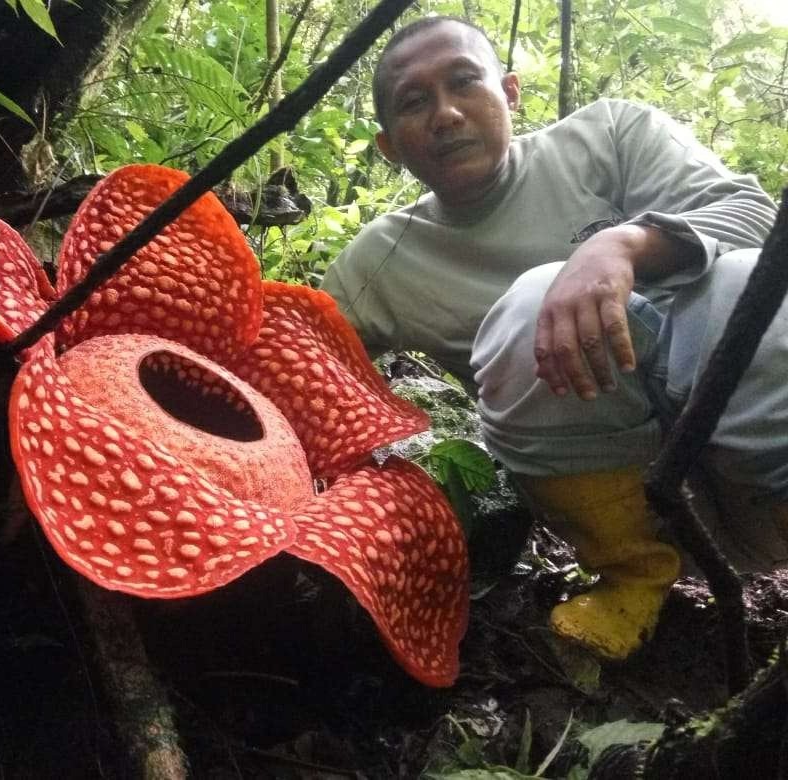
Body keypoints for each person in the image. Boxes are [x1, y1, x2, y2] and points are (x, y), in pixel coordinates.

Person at [321, 15, 787, 661]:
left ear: (510, 93)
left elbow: (760, 221)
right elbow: (299, 361)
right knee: (533, 302)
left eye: (464, 82)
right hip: (640, 515)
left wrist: (622, 243)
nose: (447, 114)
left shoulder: (610, 136)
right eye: (414, 102)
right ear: (389, 147)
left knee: (746, 282)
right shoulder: (382, 262)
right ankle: (633, 581)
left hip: (763, 476)